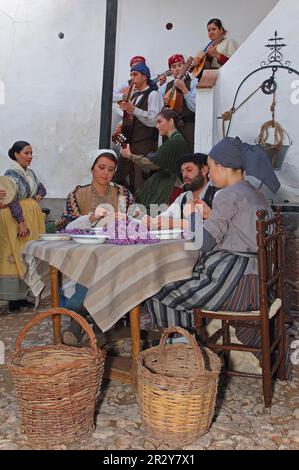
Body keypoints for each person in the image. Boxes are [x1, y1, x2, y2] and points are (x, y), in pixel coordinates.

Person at [145, 136, 280, 333]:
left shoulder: (226, 195)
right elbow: (238, 227)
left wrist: (191, 216)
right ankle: (190, 340)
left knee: (154, 289)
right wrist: (209, 214)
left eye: (211, 168)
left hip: (235, 282)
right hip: (258, 280)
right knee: (180, 283)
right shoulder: (254, 193)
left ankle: (183, 344)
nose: (210, 174)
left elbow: (204, 243)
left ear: (222, 167)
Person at [0, 141, 46, 312]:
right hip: (15, 217)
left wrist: (38, 197)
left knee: (27, 254)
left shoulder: (29, 173)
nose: (30, 156)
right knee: (15, 254)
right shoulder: (11, 175)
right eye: (26, 153)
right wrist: (20, 221)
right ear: (16, 154)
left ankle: (23, 294)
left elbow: (41, 187)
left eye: (31, 153)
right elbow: (11, 199)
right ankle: (13, 299)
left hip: (29, 216)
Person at [120, 109, 188, 214]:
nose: (156, 126)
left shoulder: (175, 140)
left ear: (171, 121)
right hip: (168, 184)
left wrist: (130, 156)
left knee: (152, 213)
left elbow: (154, 164)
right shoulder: (174, 139)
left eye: (160, 121)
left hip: (168, 187)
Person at [113, 62, 164, 193]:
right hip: (128, 144)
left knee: (140, 182)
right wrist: (120, 125)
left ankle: (142, 210)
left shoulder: (154, 95)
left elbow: (154, 121)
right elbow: (130, 117)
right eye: (131, 74)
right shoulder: (134, 95)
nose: (132, 78)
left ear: (145, 76)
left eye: (135, 74)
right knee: (118, 177)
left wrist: (134, 109)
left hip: (145, 145)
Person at [55, 149, 135, 231]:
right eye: (101, 167)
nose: (106, 172)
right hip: (83, 243)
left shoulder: (123, 193)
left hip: (115, 242)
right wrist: (90, 218)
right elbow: (64, 227)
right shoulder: (77, 195)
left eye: (110, 169)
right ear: (92, 168)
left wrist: (126, 219)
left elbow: (136, 223)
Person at [142, 153, 218, 229]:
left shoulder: (218, 195)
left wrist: (177, 223)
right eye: (182, 171)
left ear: (204, 170)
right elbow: (164, 217)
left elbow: (219, 227)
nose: (184, 175)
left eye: (189, 170)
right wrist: (151, 221)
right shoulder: (183, 198)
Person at [159, 54, 197, 152]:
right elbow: (157, 109)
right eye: (174, 66)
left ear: (185, 66)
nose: (177, 69)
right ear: (170, 70)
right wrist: (164, 105)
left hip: (188, 129)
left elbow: (196, 108)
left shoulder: (193, 83)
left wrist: (184, 89)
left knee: (188, 159)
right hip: (170, 131)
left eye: (180, 65)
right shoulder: (165, 87)